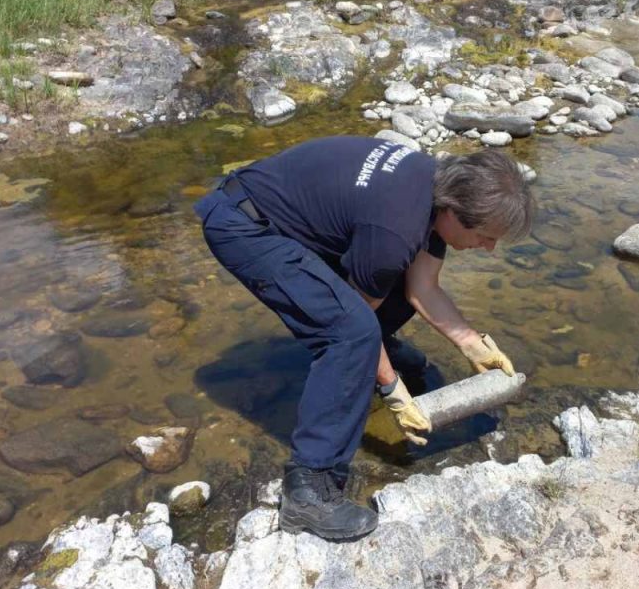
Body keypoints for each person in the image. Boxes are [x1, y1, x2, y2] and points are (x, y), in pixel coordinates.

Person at [193, 135, 534, 542]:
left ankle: (375, 356)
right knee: (349, 334)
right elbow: (355, 321)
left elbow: (421, 288)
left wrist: (473, 345)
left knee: (384, 295)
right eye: (485, 236)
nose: (490, 248)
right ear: (454, 213)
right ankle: (309, 490)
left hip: (281, 212)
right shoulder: (394, 230)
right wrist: (392, 390)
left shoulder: (438, 185)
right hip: (244, 226)